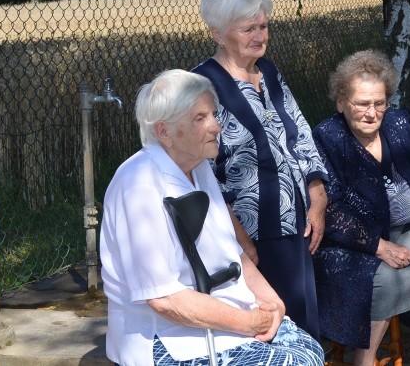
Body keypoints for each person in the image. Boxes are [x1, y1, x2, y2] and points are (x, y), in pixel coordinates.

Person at [99, 69, 324, 366]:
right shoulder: (139, 183)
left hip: (222, 318)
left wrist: (271, 301)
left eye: (213, 114)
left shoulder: (199, 166)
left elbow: (232, 249)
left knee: (309, 349)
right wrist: (246, 323)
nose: (217, 126)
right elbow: (163, 299)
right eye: (200, 118)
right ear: (164, 132)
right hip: (167, 338)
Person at [312, 49, 410, 366]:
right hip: (350, 243)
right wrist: (377, 246)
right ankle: (365, 360)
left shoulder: (400, 123)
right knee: (386, 280)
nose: (371, 113)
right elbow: (330, 209)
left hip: (402, 231)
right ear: (341, 102)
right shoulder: (327, 137)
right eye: (361, 104)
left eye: (379, 103)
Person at [192, 0, 328, 340]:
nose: (259, 35)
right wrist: (238, 240)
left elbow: (301, 133)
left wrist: (317, 197)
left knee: (301, 323)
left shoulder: (269, 72)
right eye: (248, 28)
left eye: (263, 26)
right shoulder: (201, 86)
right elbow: (201, 173)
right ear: (218, 34)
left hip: (294, 224)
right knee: (268, 329)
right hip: (249, 232)